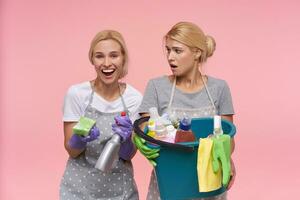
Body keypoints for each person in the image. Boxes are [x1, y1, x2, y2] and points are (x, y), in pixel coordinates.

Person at [135, 22, 235, 200]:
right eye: (168, 50)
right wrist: (140, 138)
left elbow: (228, 138)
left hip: (209, 184)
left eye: (177, 51)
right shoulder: (157, 86)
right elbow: (145, 130)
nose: (170, 57)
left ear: (197, 53)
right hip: (170, 182)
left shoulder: (219, 88)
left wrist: (226, 159)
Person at [59, 30, 142, 200]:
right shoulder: (77, 94)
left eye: (113, 56)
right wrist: (79, 139)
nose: (106, 63)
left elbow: (128, 156)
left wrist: (126, 141)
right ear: (92, 60)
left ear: (123, 58)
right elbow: (72, 152)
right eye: (99, 56)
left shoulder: (134, 99)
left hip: (121, 191)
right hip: (79, 190)